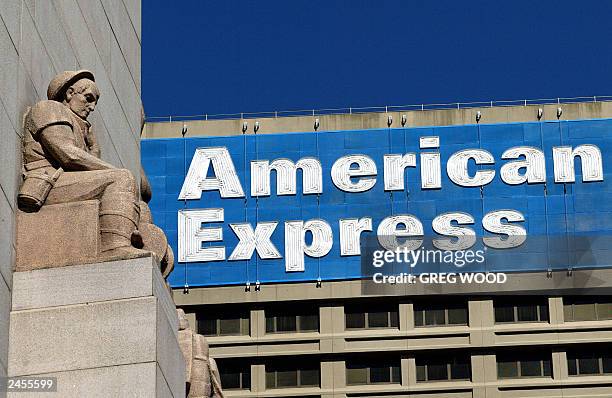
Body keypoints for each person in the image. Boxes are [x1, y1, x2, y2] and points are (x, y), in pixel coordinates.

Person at [19, 70, 146, 258]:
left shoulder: (82, 127)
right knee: (121, 178)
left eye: (94, 102)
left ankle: (130, 235)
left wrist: (93, 146)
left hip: (65, 181)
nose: (92, 107)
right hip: (48, 182)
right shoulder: (50, 109)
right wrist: (117, 171)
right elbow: (68, 155)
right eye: (88, 98)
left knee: (143, 208)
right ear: (70, 93)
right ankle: (114, 246)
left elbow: (85, 163)